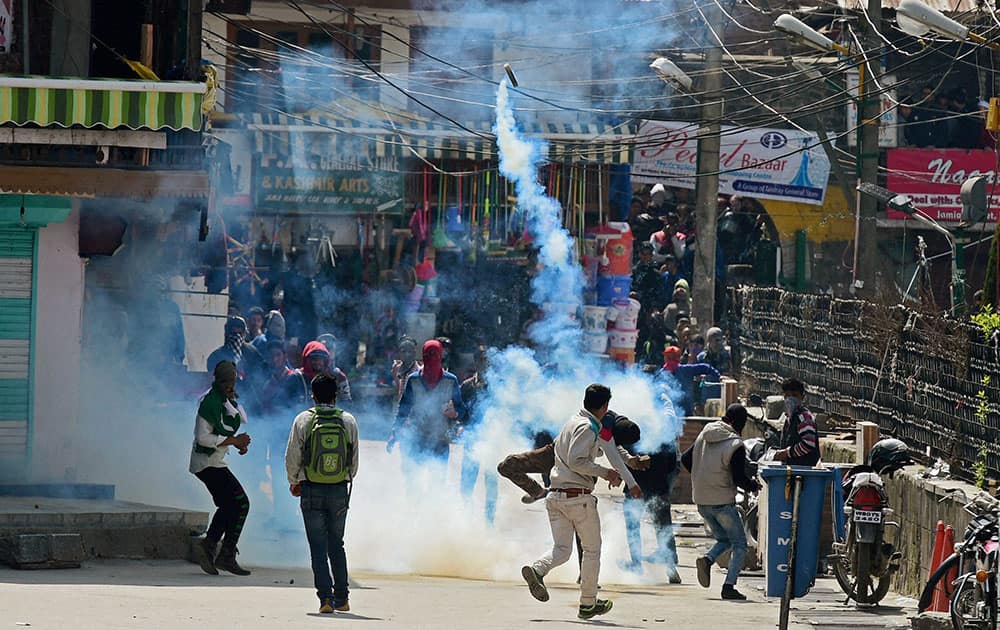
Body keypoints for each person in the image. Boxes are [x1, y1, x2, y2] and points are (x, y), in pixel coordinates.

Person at [521, 384, 642, 621]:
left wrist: (631, 482)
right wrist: (606, 474)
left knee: (562, 550)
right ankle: (588, 603)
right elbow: (577, 461)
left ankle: (537, 570)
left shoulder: (573, 422)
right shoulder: (588, 428)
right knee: (592, 550)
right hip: (578, 498)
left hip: (556, 496)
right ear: (605, 406)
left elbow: (612, 453)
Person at [285, 373, 360, 614]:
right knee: (336, 544)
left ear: (313, 395)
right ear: (336, 395)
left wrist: (294, 481)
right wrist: (342, 478)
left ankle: (325, 599)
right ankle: (343, 598)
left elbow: (292, 457)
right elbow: (354, 462)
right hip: (339, 489)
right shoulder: (348, 421)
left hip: (311, 488)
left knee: (317, 546)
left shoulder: (303, 420)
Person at [680, 403, 759, 600]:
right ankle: (729, 586)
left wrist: (701, 477)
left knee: (724, 540)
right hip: (722, 502)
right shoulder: (735, 445)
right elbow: (740, 478)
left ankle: (707, 560)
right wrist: (754, 486)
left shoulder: (703, 435)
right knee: (740, 544)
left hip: (701, 501)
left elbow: (685, 458)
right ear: (739, 424)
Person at [190, 361, 253, 576]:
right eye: (227, 382)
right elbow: (203, 438)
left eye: (232, 381)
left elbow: (227, 434)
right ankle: (225, 553)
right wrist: (234, 441)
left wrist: (237, 444)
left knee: (229, 505)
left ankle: (210, 545)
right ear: (219, 381)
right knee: (242, 503)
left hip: (215, 462)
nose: (230, 386)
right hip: (206, 463)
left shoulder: (226, 400)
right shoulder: (209, 402)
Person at [387, 340, 465, 471]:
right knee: (414, 482)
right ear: (423, 356)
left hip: (440, 441)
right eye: (428, 355)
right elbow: (403, 410)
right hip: (416, 439)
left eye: (435, 355)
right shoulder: (414, 379)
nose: (431, 359)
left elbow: (462, 409)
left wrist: (455, 413)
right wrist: (395, 433)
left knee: (437, 483)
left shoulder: (450, 380)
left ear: (440, 356)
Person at [623, 439, 681, 584]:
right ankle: (671, 569)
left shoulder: (632, 434)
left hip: (635, 487)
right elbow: (672, 466)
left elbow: (623, 461)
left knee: (633, 529)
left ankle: (636, 565)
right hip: (658, 488)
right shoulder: (665, 437)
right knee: (663, 530)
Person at [458, 346, 499, 524]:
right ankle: (466, 516)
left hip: (491, 439)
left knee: (491, 483)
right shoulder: (467, 386)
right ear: (475, 362)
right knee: (467, 482)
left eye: (487, 360)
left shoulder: (499, 386)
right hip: (472, 438)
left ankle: (489, 520)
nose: (485, 364)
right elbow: (459, 410)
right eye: (481, 360)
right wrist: (459, 425)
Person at [660, 346, 720, 416]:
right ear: (678, 357)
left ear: (666, 358)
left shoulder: (662, 373)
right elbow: (706, 367)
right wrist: (718, 376)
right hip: (687, 409)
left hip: (669, 411)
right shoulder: (686, 369)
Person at [774, 378, 819, 466]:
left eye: (795, 395)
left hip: (805, 472)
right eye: (787, 395)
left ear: (802, 397)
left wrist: (787, 453)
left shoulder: (804, 418)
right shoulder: (789, 418)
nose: (790, 399)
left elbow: (808, 444)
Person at [316, 333, 352, 403]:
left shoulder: (339, 376)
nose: (327, 353)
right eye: (324, 349)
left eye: (330, 349)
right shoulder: (307, 373)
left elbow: (347, 401)